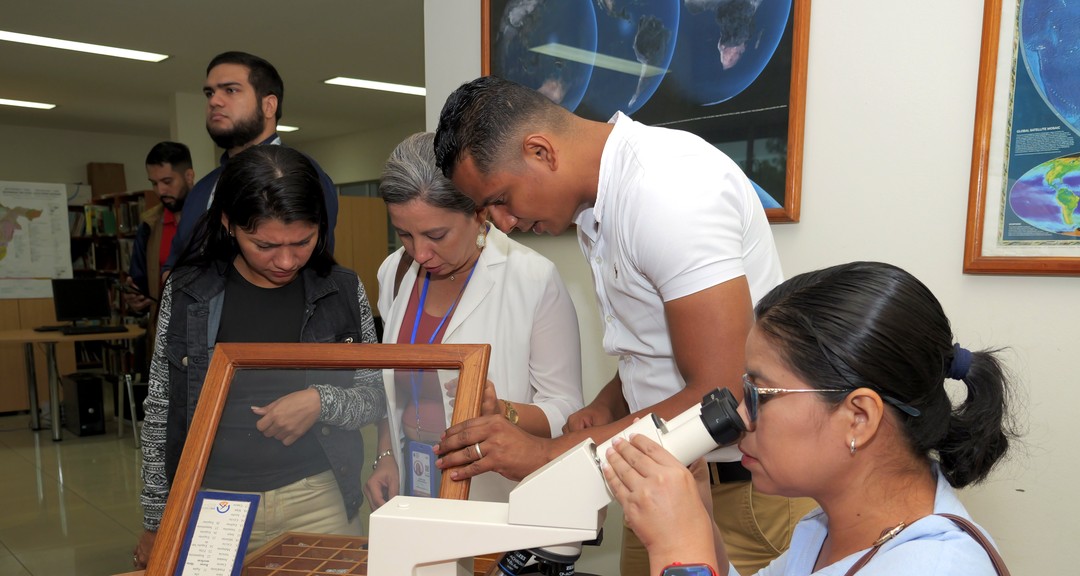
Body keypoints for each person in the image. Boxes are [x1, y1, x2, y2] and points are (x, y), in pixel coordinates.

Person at [432, 75, 815, 575]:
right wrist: (608, 404)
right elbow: (662, 346)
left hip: (744, 495)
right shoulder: (603, 204)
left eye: (500, 199)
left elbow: (722, 390)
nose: (502, 223)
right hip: (658, 478)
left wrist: (548, 453)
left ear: (540, 151)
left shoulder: (665, 191)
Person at [603, 261, 1018, 576]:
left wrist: (679, 551)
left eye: (758, 394)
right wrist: (698, 520)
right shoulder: (824, 529)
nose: (742, 418)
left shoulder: (934, 567)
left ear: (859, 417)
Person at [133, 146, 384, 568]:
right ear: (229, 224)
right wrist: (157, 519)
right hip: (209, 503)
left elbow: (376, 394)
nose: (286, 261)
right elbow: (160, 409)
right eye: (264, 244)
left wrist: (321, 402)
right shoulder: (188, 290)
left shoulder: (340, 289)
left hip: (318, 500)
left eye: (303, 242)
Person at [363, 132, 584, 506]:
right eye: (404, 234)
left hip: (490, 488)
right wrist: (386, 454)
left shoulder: (531, 278)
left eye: (437, 235)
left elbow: (566, 410)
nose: (420, 252)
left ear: (478, 212)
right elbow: (392, 390)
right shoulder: (394, 272)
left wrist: (502, 411)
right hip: (413, 476)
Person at [163, 51, 338, 273]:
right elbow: (177, 263)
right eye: (209, 93)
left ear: (269, 105)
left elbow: (314, 271)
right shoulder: (203, 189)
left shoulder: (305, 177)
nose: (214, 101)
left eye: (231, 90)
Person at [124, 141, 193, 319]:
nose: (160, 191)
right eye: (154, 183)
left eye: (167, 181)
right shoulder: (149, 225)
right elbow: (140, 286)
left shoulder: (213, 219)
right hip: (163, 336)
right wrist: (136, 302)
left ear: (189, 176)